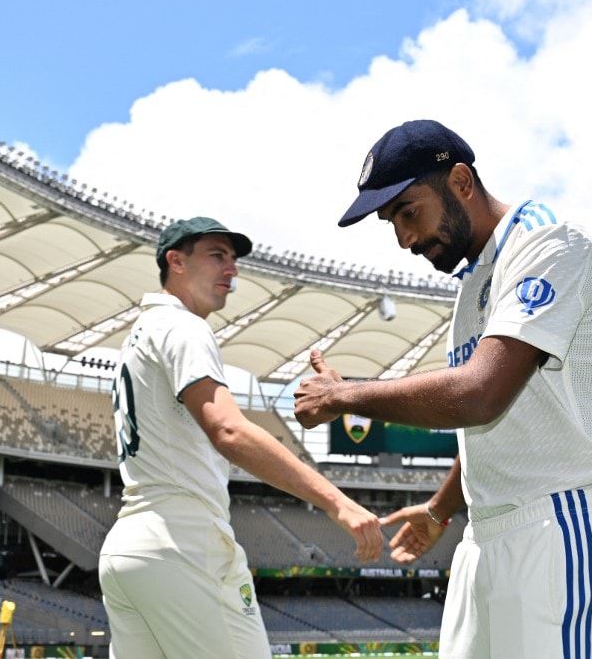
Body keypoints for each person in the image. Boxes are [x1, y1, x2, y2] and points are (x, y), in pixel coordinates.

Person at [293, 119, 592, 658]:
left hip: (563, 524)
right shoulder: (475, 281)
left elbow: (480, 394)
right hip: (487, 535)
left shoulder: (550, 244)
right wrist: (440, 509)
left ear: (460, 182)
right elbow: (495, 424)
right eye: (392, 223)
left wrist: (344, 396)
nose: (404, 238)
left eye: (409, 212)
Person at [98, 216, 383, 659]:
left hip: (128, 548)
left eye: (233, 259)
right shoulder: (183, 326)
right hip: (183, 541)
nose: (231, 269)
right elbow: (228, 429)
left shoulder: (139, 334)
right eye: (217, 255)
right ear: (175, 260)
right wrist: (338, 502)